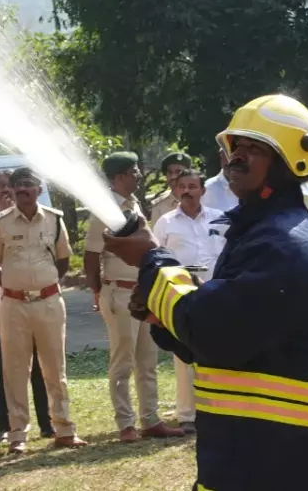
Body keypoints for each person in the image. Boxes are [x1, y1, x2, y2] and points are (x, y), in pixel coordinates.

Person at [100, 94, 308, 491]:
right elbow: (223, 333)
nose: (236, 158)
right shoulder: (259, 233)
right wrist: (160, 311)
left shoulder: (283, 244)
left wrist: (153, 260)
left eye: (254, 149)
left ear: (289, 165)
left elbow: (216, 331)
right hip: (252, 454)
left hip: (283, 464)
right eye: (235, 147)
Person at [0, 168, 88, 455]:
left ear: (39, 188)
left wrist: (46, 283)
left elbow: (64, 260)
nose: (23, 190)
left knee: (55, 368)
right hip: (14, 305)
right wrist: (15, 286)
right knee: (15, 370)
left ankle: (65, 429)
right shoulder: (1, 223)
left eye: (29, 185)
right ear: (13, 190)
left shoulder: (54, 220)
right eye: (18, 185)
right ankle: (17, 434)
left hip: (48, 303)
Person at [86, 152, 182, 443]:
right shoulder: (102, 210)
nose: (139, 174)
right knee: (123, 361)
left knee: (147, 359)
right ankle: (126, 423)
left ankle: (150, 420)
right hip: (117, 291)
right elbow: (91, 258)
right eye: (133, 171)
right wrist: (98, 292)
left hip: (140, 291)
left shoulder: (134, 205)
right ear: (119, 177)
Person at [0, 179, 54, 444]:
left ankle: (47, 422)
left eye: (11, 186)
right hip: (0, 305)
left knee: (42, 365)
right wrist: (10, 290)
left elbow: (58, 260)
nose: (6, 191)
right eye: (0, 187)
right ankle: (6, 425)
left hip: (36, 303)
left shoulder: (43, 220)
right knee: (4, 367)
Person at [151, 170, 227, 434]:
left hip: (218, 291)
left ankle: (220, 409)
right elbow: (157, 258)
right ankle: (187, 415)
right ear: (175, 190)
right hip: (183, 294)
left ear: (202, 190)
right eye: (182, 186)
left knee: (221, 350)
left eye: (192, 186)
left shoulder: (220, 218)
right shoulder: (165, 222)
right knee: (184, 356)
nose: (187, 191)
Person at [149, 152, 193, 225]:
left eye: (178, 172)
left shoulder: (201, 199)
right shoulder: (159, 206)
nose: (173, 176)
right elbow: (156, 235)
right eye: (170, 172)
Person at [201, 148, 239, 213]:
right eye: (226, 156)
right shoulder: (208, 189)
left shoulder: (253, 186)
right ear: (221, 157)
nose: (229, 161)